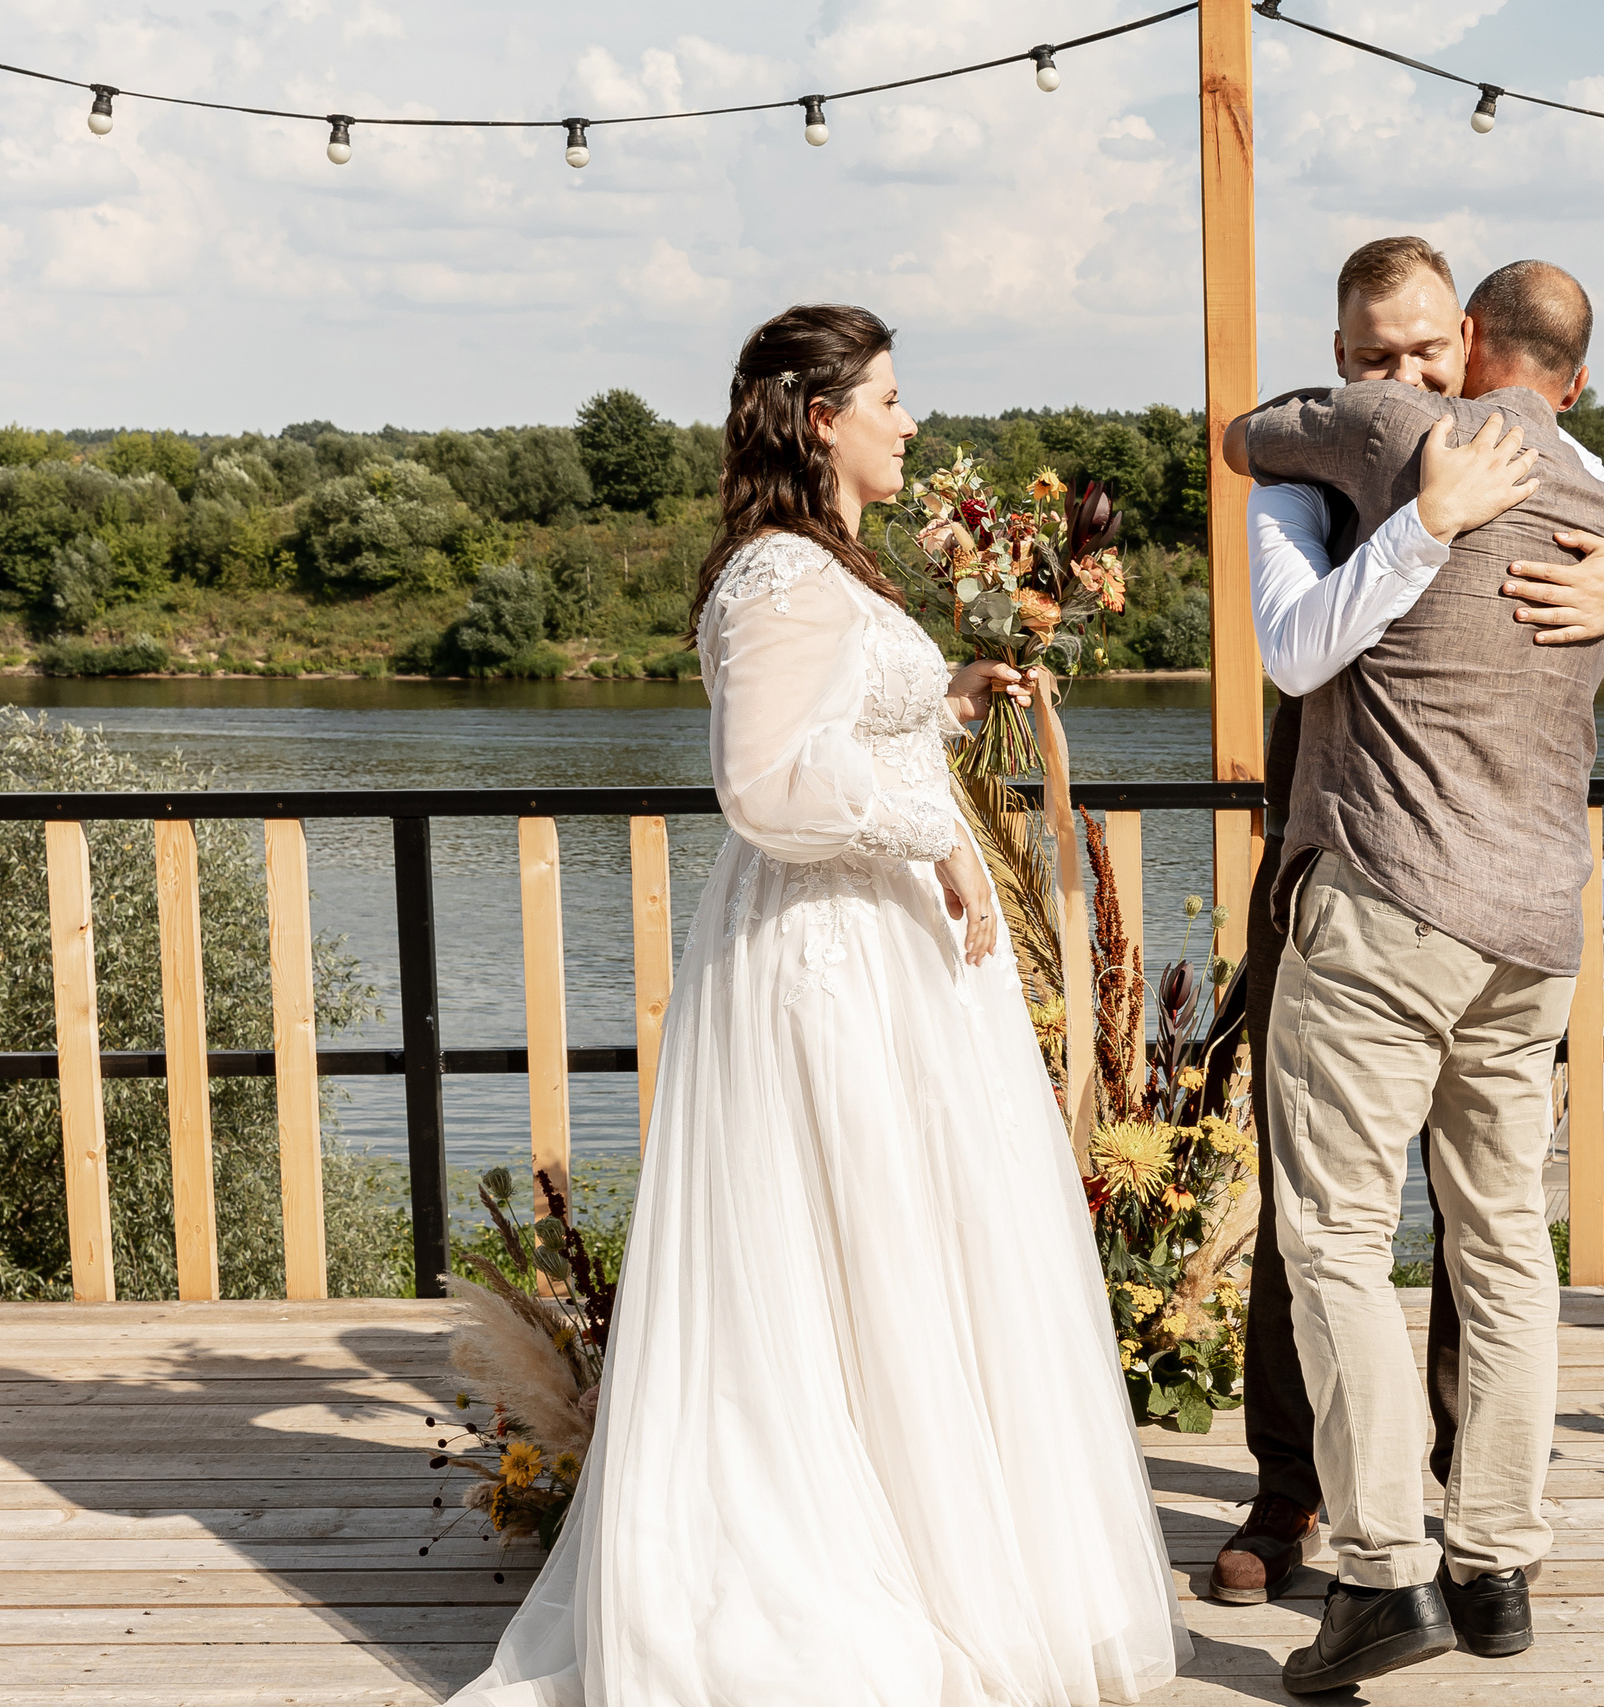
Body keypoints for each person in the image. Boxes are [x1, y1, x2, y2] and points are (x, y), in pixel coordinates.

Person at [444, 304, 1185, 1707]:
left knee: (899, 1249)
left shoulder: (820, 566)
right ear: (819, 417)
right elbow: (765, 785)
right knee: (842, 1244)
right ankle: (832, 1580)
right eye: (890, 399)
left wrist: (942, 706)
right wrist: (931, 827)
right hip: (826, 955)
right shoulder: (780, 575)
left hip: (883, 947)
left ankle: (929, 1543)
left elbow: (841, 730)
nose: (910, 422)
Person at [1208, 236, 1604, 1616]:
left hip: (1428, 902)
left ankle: (1431, 1548)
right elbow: (1296, 649)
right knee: (1339, 1225)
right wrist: (1425, 517)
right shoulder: (1332, 477)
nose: (1406, 377)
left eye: (1429, 353)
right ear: (1342, 354)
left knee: (1398, 1232)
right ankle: (1309, 1495)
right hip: (1423, 884)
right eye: (1375, 359)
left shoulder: (1493, 451)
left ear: (1474, 345)